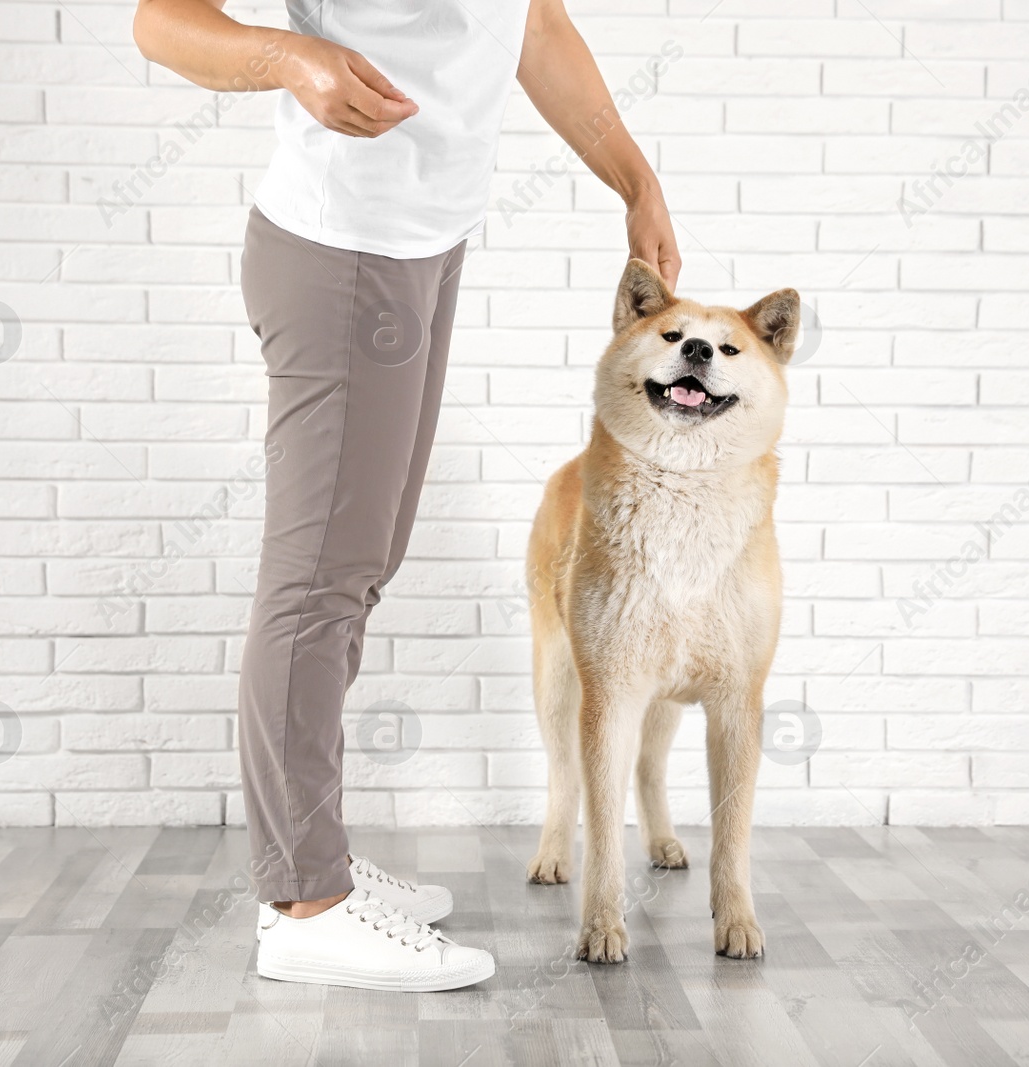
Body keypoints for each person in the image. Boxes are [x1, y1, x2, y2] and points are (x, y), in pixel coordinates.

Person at [133, 0, 680, 991]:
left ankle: (315, 857)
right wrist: (291, 57)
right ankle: (305, 900)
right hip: (342, 248)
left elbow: (535, 24)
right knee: (318, 581)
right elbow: (161, 23)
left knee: (358, 566)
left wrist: (634, 180)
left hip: (422, 245)